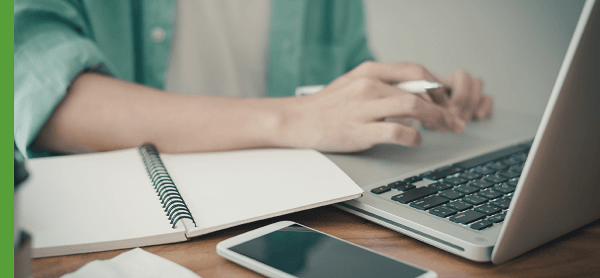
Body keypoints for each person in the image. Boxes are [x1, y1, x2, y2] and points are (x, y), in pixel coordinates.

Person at [14, 0, 493, 158]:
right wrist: (292, 118)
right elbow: (37, 88)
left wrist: (417, 100)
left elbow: (344, 94)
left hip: (293, 233)